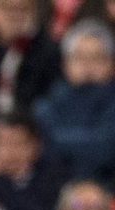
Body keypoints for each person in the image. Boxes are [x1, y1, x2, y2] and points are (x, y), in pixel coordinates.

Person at [33, 20, 115, 183]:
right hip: (54, 188)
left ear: (112, 64)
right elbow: (39, 151)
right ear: (65, 64)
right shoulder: (45, 105)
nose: (87, 65)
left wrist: (55, 138)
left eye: (97, 58)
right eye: (79, 57)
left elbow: (105, 148)